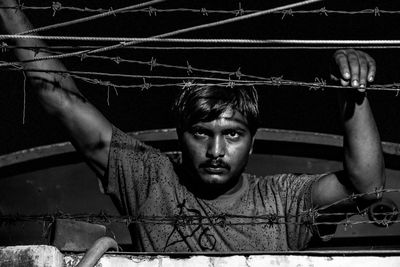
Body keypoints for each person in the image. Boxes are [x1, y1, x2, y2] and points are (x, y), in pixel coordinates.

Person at [0, 1, 385, 252]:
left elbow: (367, 189)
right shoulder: (150, 177)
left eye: (232, 134)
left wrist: (353, 93)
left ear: (252, 143)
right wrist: (9, 10)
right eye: (201, 133)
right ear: (180, 135)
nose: (216, 151)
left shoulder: (282, 199)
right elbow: (63, 101)